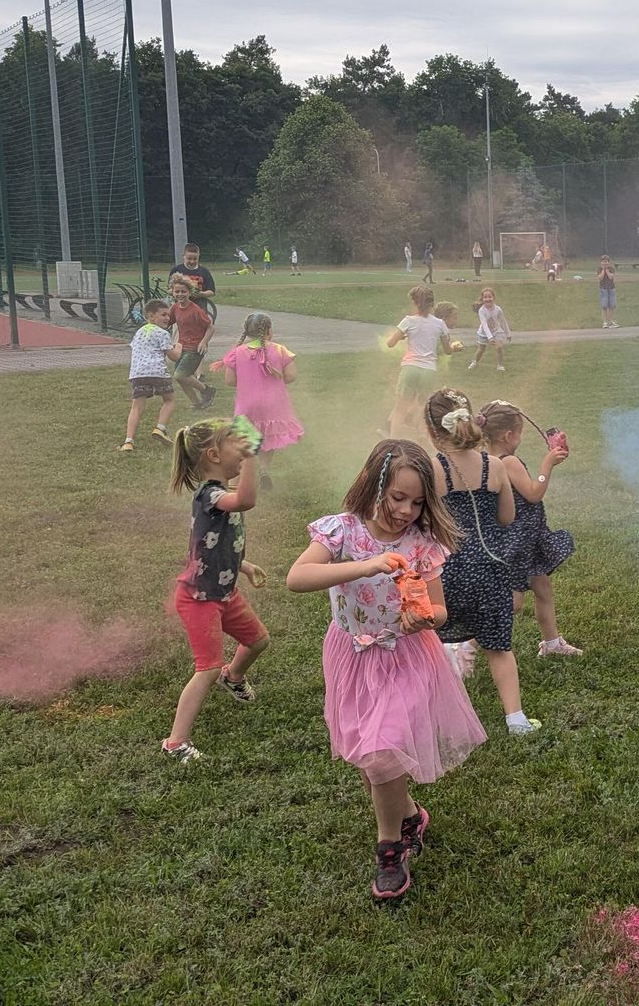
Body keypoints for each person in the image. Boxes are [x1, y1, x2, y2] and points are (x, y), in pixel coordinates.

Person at [287, 439, 486, 901]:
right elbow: (297, 578)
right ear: (375, 483)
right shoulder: (342, 531)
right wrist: (365, 565)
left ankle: (390, 848)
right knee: (369, 754)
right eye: (398, 498)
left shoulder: (422, 544)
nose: (406, 511)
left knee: (380, 754)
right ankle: (412, 815)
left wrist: (424, 618)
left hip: (406, 657)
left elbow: (438, 610)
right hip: (351, 655)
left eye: (417, 502)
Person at [422, 390, 535, 733]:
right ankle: (516, 718)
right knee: (499, 647)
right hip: (492, 567)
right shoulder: (495, 465)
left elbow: (425, 523)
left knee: (432, 642)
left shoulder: (433, 468)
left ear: (431, 431)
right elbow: (506, 516)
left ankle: (438, 715)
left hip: (447, 570)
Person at [162, 419, 269, 763]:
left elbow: (214, 543)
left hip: (224, 592)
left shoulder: (219, 494)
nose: (241, 454)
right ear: (213, 454)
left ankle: (233, 677)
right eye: (235, 448)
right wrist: (253, 454)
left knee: (258, 641)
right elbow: (247, 500)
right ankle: (176, 742)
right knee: (206, 667)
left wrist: (244, 565)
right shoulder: (211, 494)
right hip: (199, 599)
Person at [477, 401, 582, 657]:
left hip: (525, 538)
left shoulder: (483, 459)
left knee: (543, 587)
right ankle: (465, 643)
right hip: (517, 542)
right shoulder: (508, 461)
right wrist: (547, 466)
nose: (520, 438)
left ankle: (552, 643)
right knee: (512, 603)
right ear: (508, 435)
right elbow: (533, 494)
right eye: (519, 433)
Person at [211, 312, 304, 488]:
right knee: (268, 438)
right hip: (274, 404)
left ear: (246, 331)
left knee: (245, 441)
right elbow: (291, 376)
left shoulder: (237, 352)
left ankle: (235, 482)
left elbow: (230, 381)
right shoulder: (279, 349)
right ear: (269, 330)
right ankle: (264, 469)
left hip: (247, 405)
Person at [385, 285, 455, 439]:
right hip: (428, 370)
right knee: (423, 407)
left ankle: (393, 440)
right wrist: (454, 348)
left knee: (400, 409)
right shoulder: (439, 324)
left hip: (410, 368)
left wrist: (402, 336)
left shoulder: (408, 321)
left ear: (415, 303)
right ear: (432, 304)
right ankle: (422, 438)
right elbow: (448, 350)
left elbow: (390, 343)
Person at [121, 299, 182, 452]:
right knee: (169, 400)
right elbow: (174, 356)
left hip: (137, 373)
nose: (168, 318)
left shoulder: (139, 332)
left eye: (168, 315)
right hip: (157, 372)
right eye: (163, 315)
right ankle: (160, 428)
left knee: (136, 406)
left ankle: (128, 441)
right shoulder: (162, 333)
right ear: (151, 316)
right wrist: (179, 346)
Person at [168, 274, 217, 411]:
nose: (180, 294)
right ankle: (197, 403)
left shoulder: (195, 310)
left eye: (183, 291)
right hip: (181, 347)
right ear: (172, 292)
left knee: (180, 375)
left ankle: (206, 390)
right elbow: (168, 322)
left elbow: (210, 327)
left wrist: (204, 342)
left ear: (189, 292)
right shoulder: (175, 308)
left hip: (195, 348)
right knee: (180, 378)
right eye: (177, 291)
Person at [468, 288, 511, 372]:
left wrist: (508, 333)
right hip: (484, 333)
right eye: (485, 297)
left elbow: (503, 321)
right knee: (481, 349)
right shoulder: (482, 311)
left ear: (494, 298)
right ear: (482, 299)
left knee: (499, 347)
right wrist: (490, 337)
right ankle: (475, 362)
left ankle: (500, 365)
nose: (488, 299)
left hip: (496, 331)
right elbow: (484, 325)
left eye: (490, 297)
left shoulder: (498, 309)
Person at [597, 255, 618, 329]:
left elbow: (611, 277)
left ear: (608, 262)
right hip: (603, 289)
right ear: (601, 262)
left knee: (612, 306)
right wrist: (603, 270)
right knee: (604, 306)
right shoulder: (599, 269)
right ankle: (605, 322)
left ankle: (611, 321)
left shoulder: (611, 269)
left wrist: (607, 271)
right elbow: (600, 278)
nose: (605, 263)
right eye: (603, 262)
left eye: (606, 262)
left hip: (611, 288)